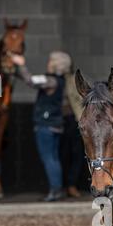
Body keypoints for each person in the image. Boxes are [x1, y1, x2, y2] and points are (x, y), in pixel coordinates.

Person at [11, 51, 71, 201]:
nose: (48, 63)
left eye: (51, 61)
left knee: (49, 158)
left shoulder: (51, 81)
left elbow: (31, 81)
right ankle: (57, 189)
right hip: (55, 124)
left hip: (46, 125)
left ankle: (55, 190)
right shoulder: (59, 81)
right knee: (54, 158)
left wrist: (21, 64)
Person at [60, 59, 84, 198]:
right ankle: (66, 185)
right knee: (64, 154)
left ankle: (70, 184)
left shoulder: (71, 80)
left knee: (74, 153)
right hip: (63, 119)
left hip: (72, 119)